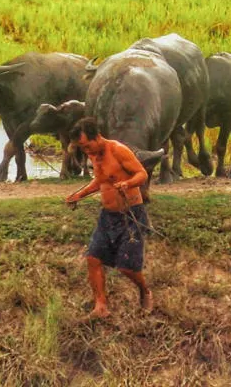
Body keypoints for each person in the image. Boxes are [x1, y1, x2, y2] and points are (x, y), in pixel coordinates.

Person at [63, 117, 153, 318]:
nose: (86, 152)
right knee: (93, 259)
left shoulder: (118, 150)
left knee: (127, 267)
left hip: (130, 215)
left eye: (87, 146)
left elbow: (142, 174)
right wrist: (79, 195)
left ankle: (145, 291)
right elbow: (100, 181)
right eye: (82, 148)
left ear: (97, 136)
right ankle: (101, 306)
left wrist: (128, 184)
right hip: (107, 216)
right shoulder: (94, 156)